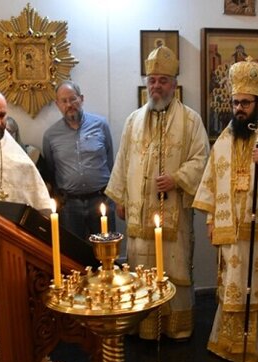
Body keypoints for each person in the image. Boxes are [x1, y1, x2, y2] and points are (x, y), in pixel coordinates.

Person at [193, 56, 258, 362]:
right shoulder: (223, 141)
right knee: (233, 285)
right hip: (230, 231)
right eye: (236, 102)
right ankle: (229, 342)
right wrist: (213, 219)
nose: (239, 108)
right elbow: (212, 182)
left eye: (246, 103)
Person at [106, 46, 209, 341]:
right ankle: (145, 327)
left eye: (162, 80)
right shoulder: (133, 120)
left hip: (172, 213)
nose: (156, 86)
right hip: (139, 217)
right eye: (152, 80)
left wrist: (176, 179)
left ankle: (176, 329)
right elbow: (123, 161)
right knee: (141, 272)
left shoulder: (191, 120)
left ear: (174, 84)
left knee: (173, 272)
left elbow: (202, 159)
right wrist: (121, 199)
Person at [43, 81, 115, 239]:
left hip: (101, 200)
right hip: (70, 205)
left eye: (73, 99)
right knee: (75, 255)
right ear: (57, 104)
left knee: (107, 252)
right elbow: (51, 170)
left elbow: (111, 162)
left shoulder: (101, 125)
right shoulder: (50, 135)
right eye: (64, 101)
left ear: (81, 99)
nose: (69, 104)